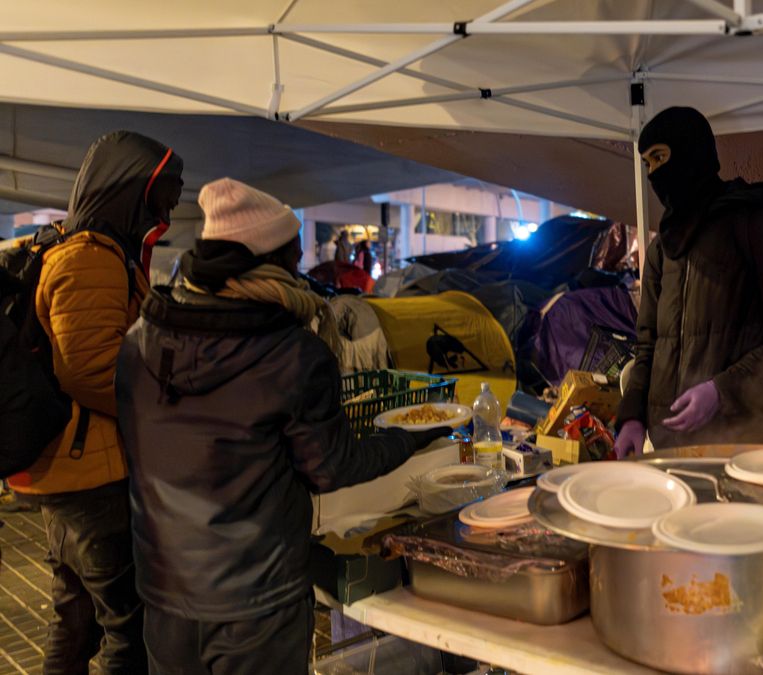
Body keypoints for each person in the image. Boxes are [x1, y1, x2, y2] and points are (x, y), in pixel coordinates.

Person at [115, 178, 446, 674]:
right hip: (257, 601)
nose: (301, 270)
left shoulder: (141, 339)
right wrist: (413, 435)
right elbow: (332, 467)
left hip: (165, 592)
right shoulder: (292, 353)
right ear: (270, 262)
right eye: (294, 257)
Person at [7, 130, 183, 673]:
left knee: (76, 620)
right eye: (162, 197)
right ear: (130, 191)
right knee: (127, 632)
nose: (168, 211)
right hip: (92, 476)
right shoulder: (92, 256)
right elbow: (88, 370)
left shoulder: (72, 245)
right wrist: (156, 410)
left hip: (65, 469)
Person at [614, 107, 763, 455]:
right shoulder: (662, 249)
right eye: (647, 163)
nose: (654, 173)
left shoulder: (756, 225)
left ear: (691, 152)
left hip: (748, 444)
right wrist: (633, 415)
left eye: (660, 158)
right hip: (673, 447)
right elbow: (648, 343)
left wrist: (722, 392)